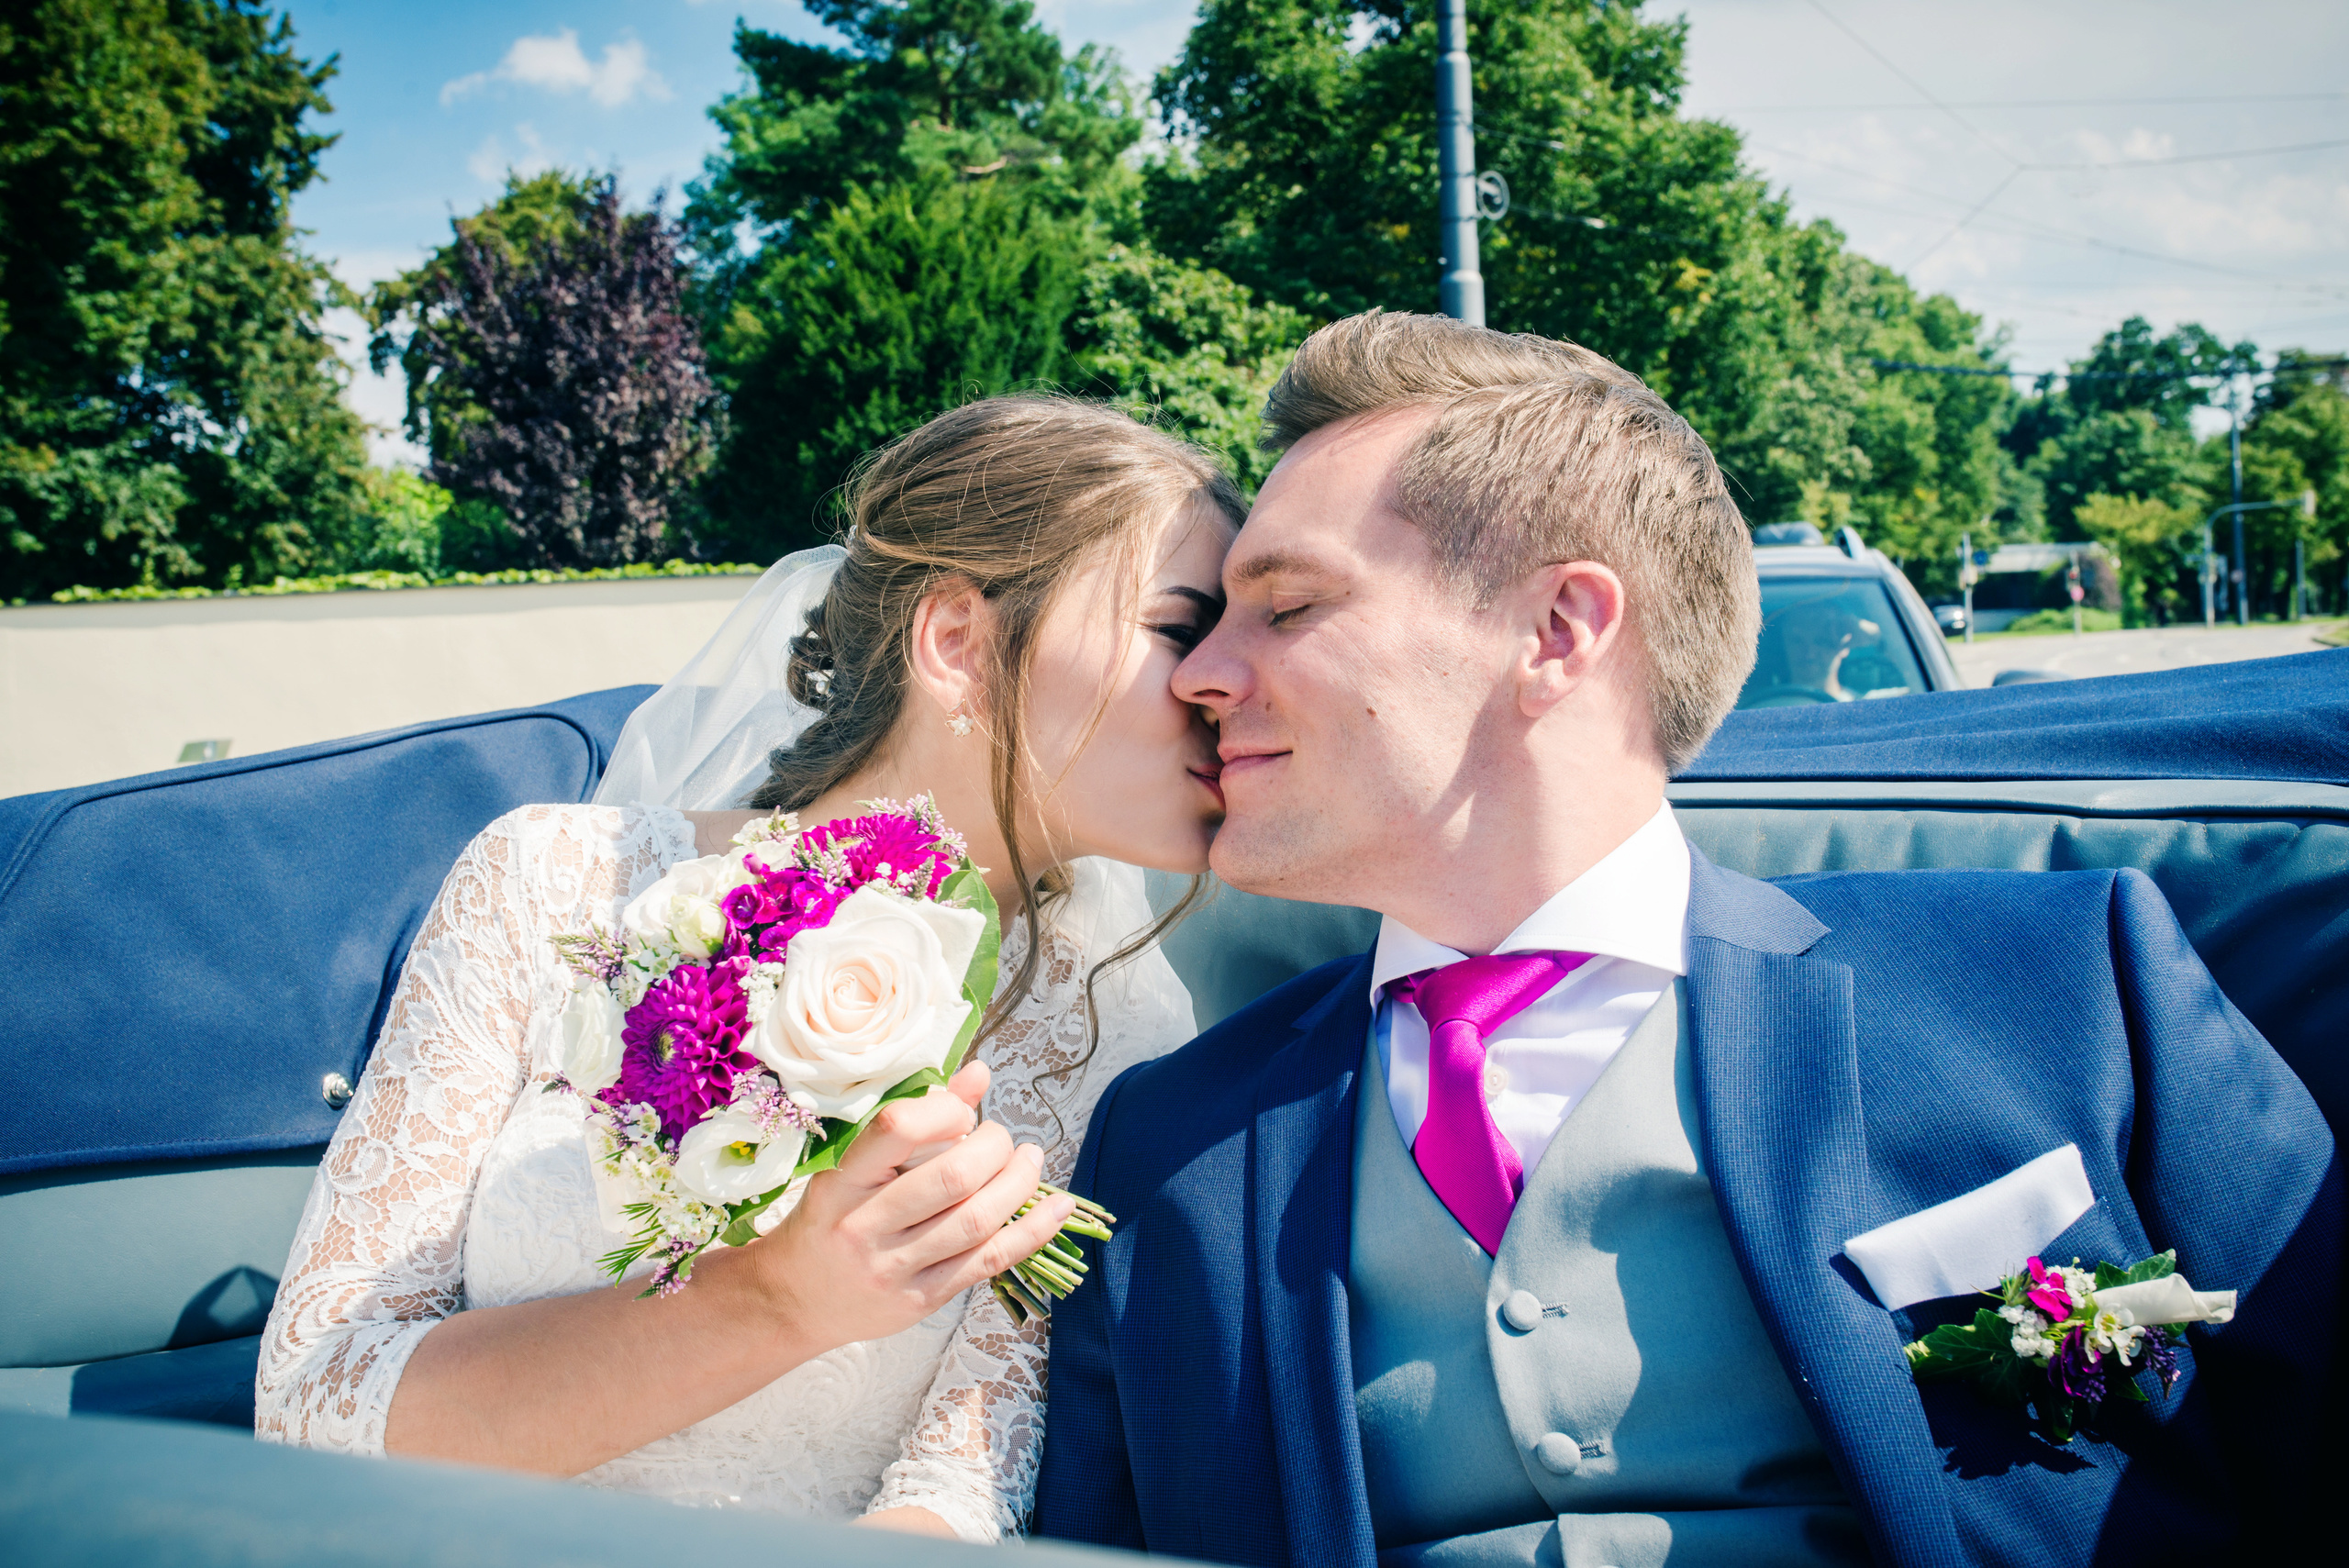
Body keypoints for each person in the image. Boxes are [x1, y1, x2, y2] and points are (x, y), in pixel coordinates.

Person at [1030, 313, 2339, 1565]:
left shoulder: (2066, 985)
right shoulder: (1167, 1144)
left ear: (1557, 633)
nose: (1204, 676)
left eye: (1290, 604)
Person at [255, 396, 1240, 1543]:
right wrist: (776, 1299)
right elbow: (314, 1407)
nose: (1227, 682)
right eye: (1182, 627)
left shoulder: (1120, 1034)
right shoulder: (549, 885)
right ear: (958, 642)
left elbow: (961, 1491)